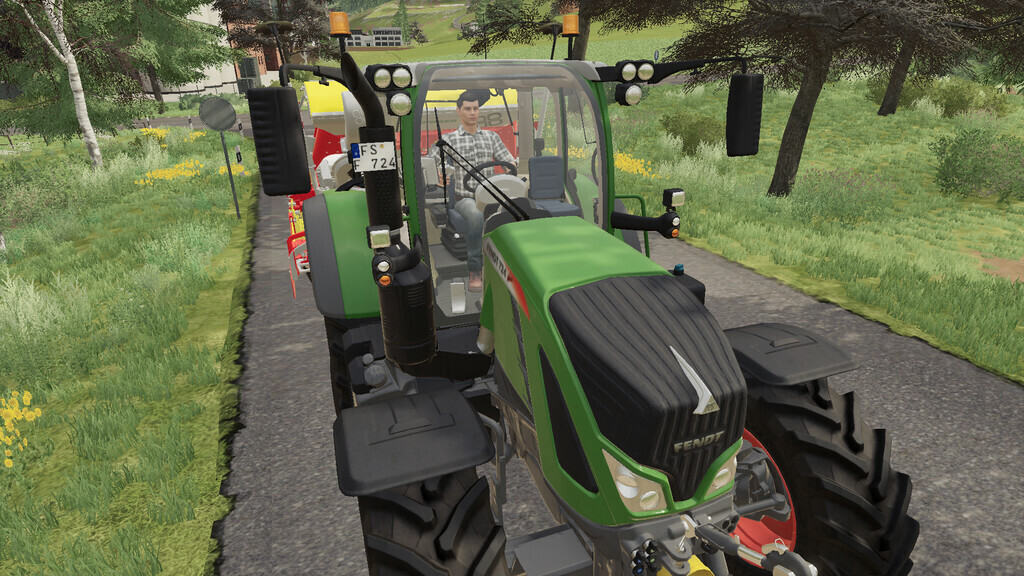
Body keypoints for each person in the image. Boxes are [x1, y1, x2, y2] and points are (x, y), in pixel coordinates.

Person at [429, 90, 517, 292]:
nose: (472, 113)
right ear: (459, 110)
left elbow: (508, 160)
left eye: (475, 108)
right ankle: (475, 270)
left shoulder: (492, 137)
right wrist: (440, 174)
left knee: (518, 209)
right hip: (465, 198)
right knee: (476, 216)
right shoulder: (449, 140)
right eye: (468, 109)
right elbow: (432, 162)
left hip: (491, 195)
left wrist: (510, 166)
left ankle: (512, 266)